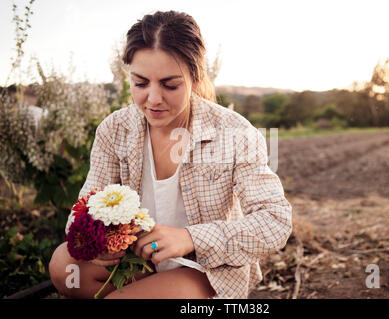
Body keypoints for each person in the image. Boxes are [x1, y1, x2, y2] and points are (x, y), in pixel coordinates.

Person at [49, 10, 292, 299]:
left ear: (195, 77)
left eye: (170, 85)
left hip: (204, 267)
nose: (153, 99)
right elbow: (83, 209)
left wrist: (190, 238)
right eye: (140, 83)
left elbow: (275, 221)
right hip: (141, 262)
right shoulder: (114, 129)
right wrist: (95, 241)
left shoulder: (234, 132)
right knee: (64, 266)